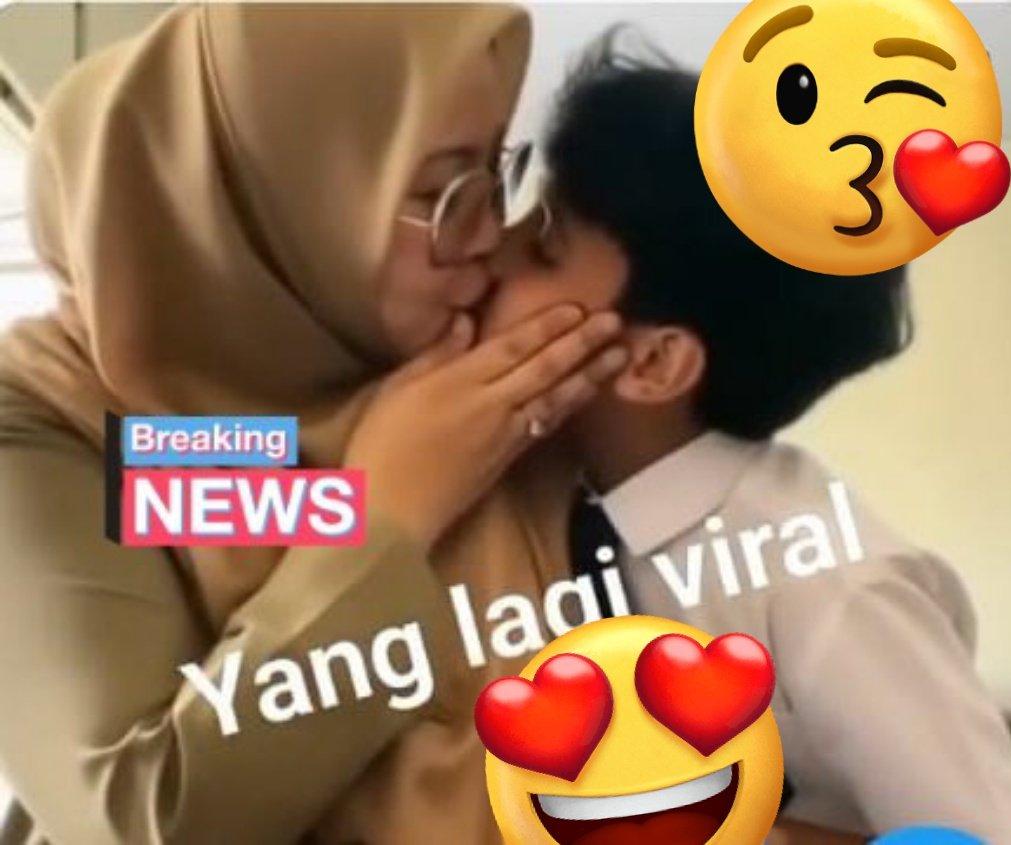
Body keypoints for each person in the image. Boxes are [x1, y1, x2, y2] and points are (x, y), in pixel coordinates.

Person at [0, 6, 624, 843]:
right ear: (275, 206)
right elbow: (142, 813)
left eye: (493, 171)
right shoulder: (48, 417)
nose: (489, 233)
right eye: (441, 193)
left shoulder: (452, 365)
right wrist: (381, 516)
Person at [483, 33, 1011, 844]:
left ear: (655, 363)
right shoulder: (551, 494)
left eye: (543, 246)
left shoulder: (831, 587)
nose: (492, 252)